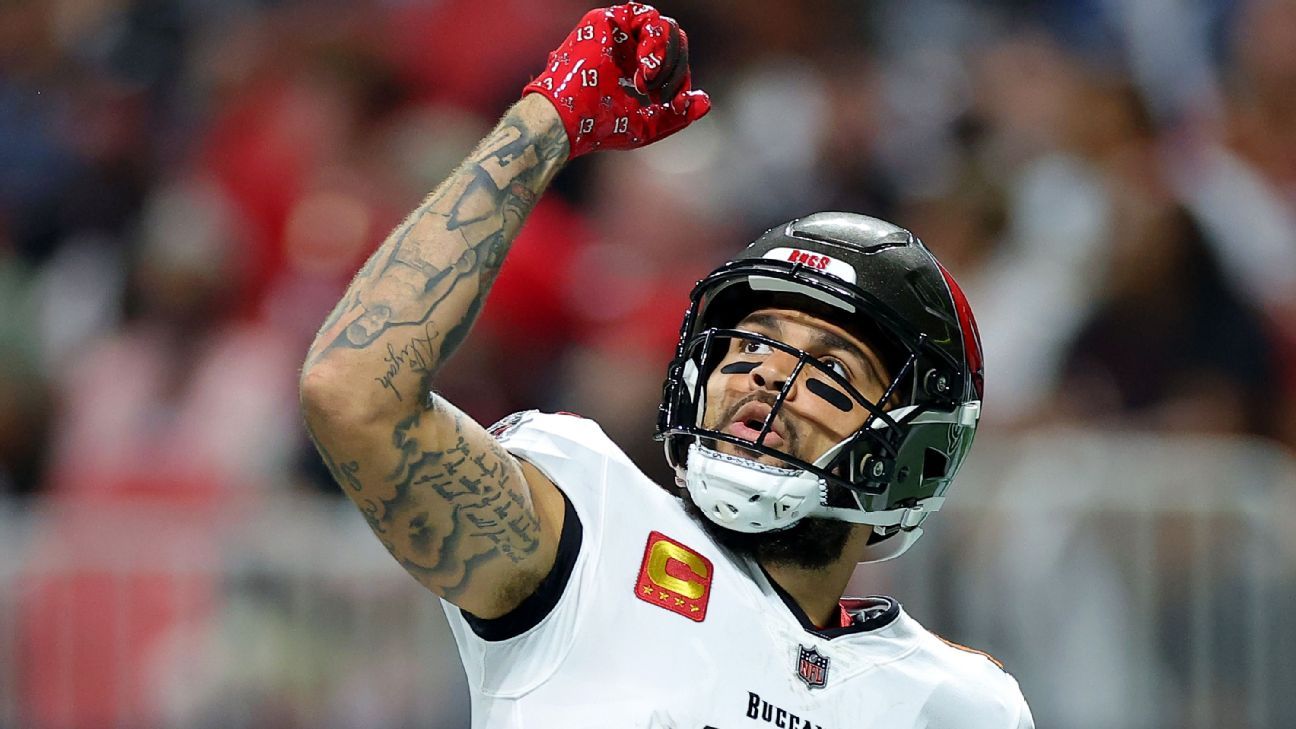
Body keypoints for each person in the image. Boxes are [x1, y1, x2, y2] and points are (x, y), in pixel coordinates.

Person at [299, 4, 1033, 727]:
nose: (765, 374)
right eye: (751, 343)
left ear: (913, 449)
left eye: (831, 369)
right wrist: (545, 123)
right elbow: (355, 394)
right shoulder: (590, 522)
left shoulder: (962, 703)